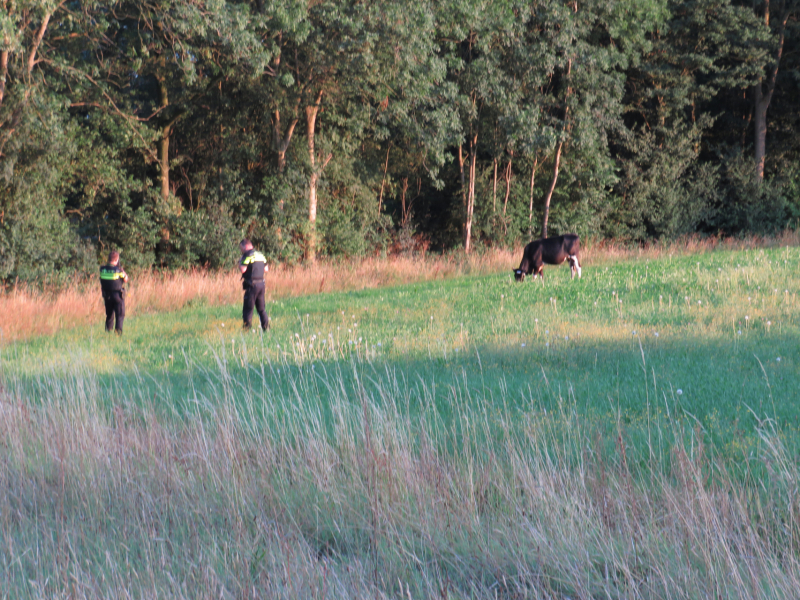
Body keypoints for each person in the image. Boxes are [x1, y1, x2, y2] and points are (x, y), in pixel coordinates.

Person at [238, 239, 270, 331]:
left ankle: (246, 330)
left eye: (241, 248)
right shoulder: (260, 254)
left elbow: (243, 270)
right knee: (261, 309)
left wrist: (240, 262)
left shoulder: (247, 254)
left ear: (245, 246)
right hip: (261, 284)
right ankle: (266, 328)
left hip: (252, 285)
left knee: (248, 309)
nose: (241, 250)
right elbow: (266, 269)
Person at [99, 250, 128, 334]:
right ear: (116, 260)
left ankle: (108, 331)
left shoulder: (102, 269)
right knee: (120, 314)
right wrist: (123, 271)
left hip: (106, 295)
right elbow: (125, 279)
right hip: (117, 295)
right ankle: (118, 333)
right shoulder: (118, 270)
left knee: (109, 315)